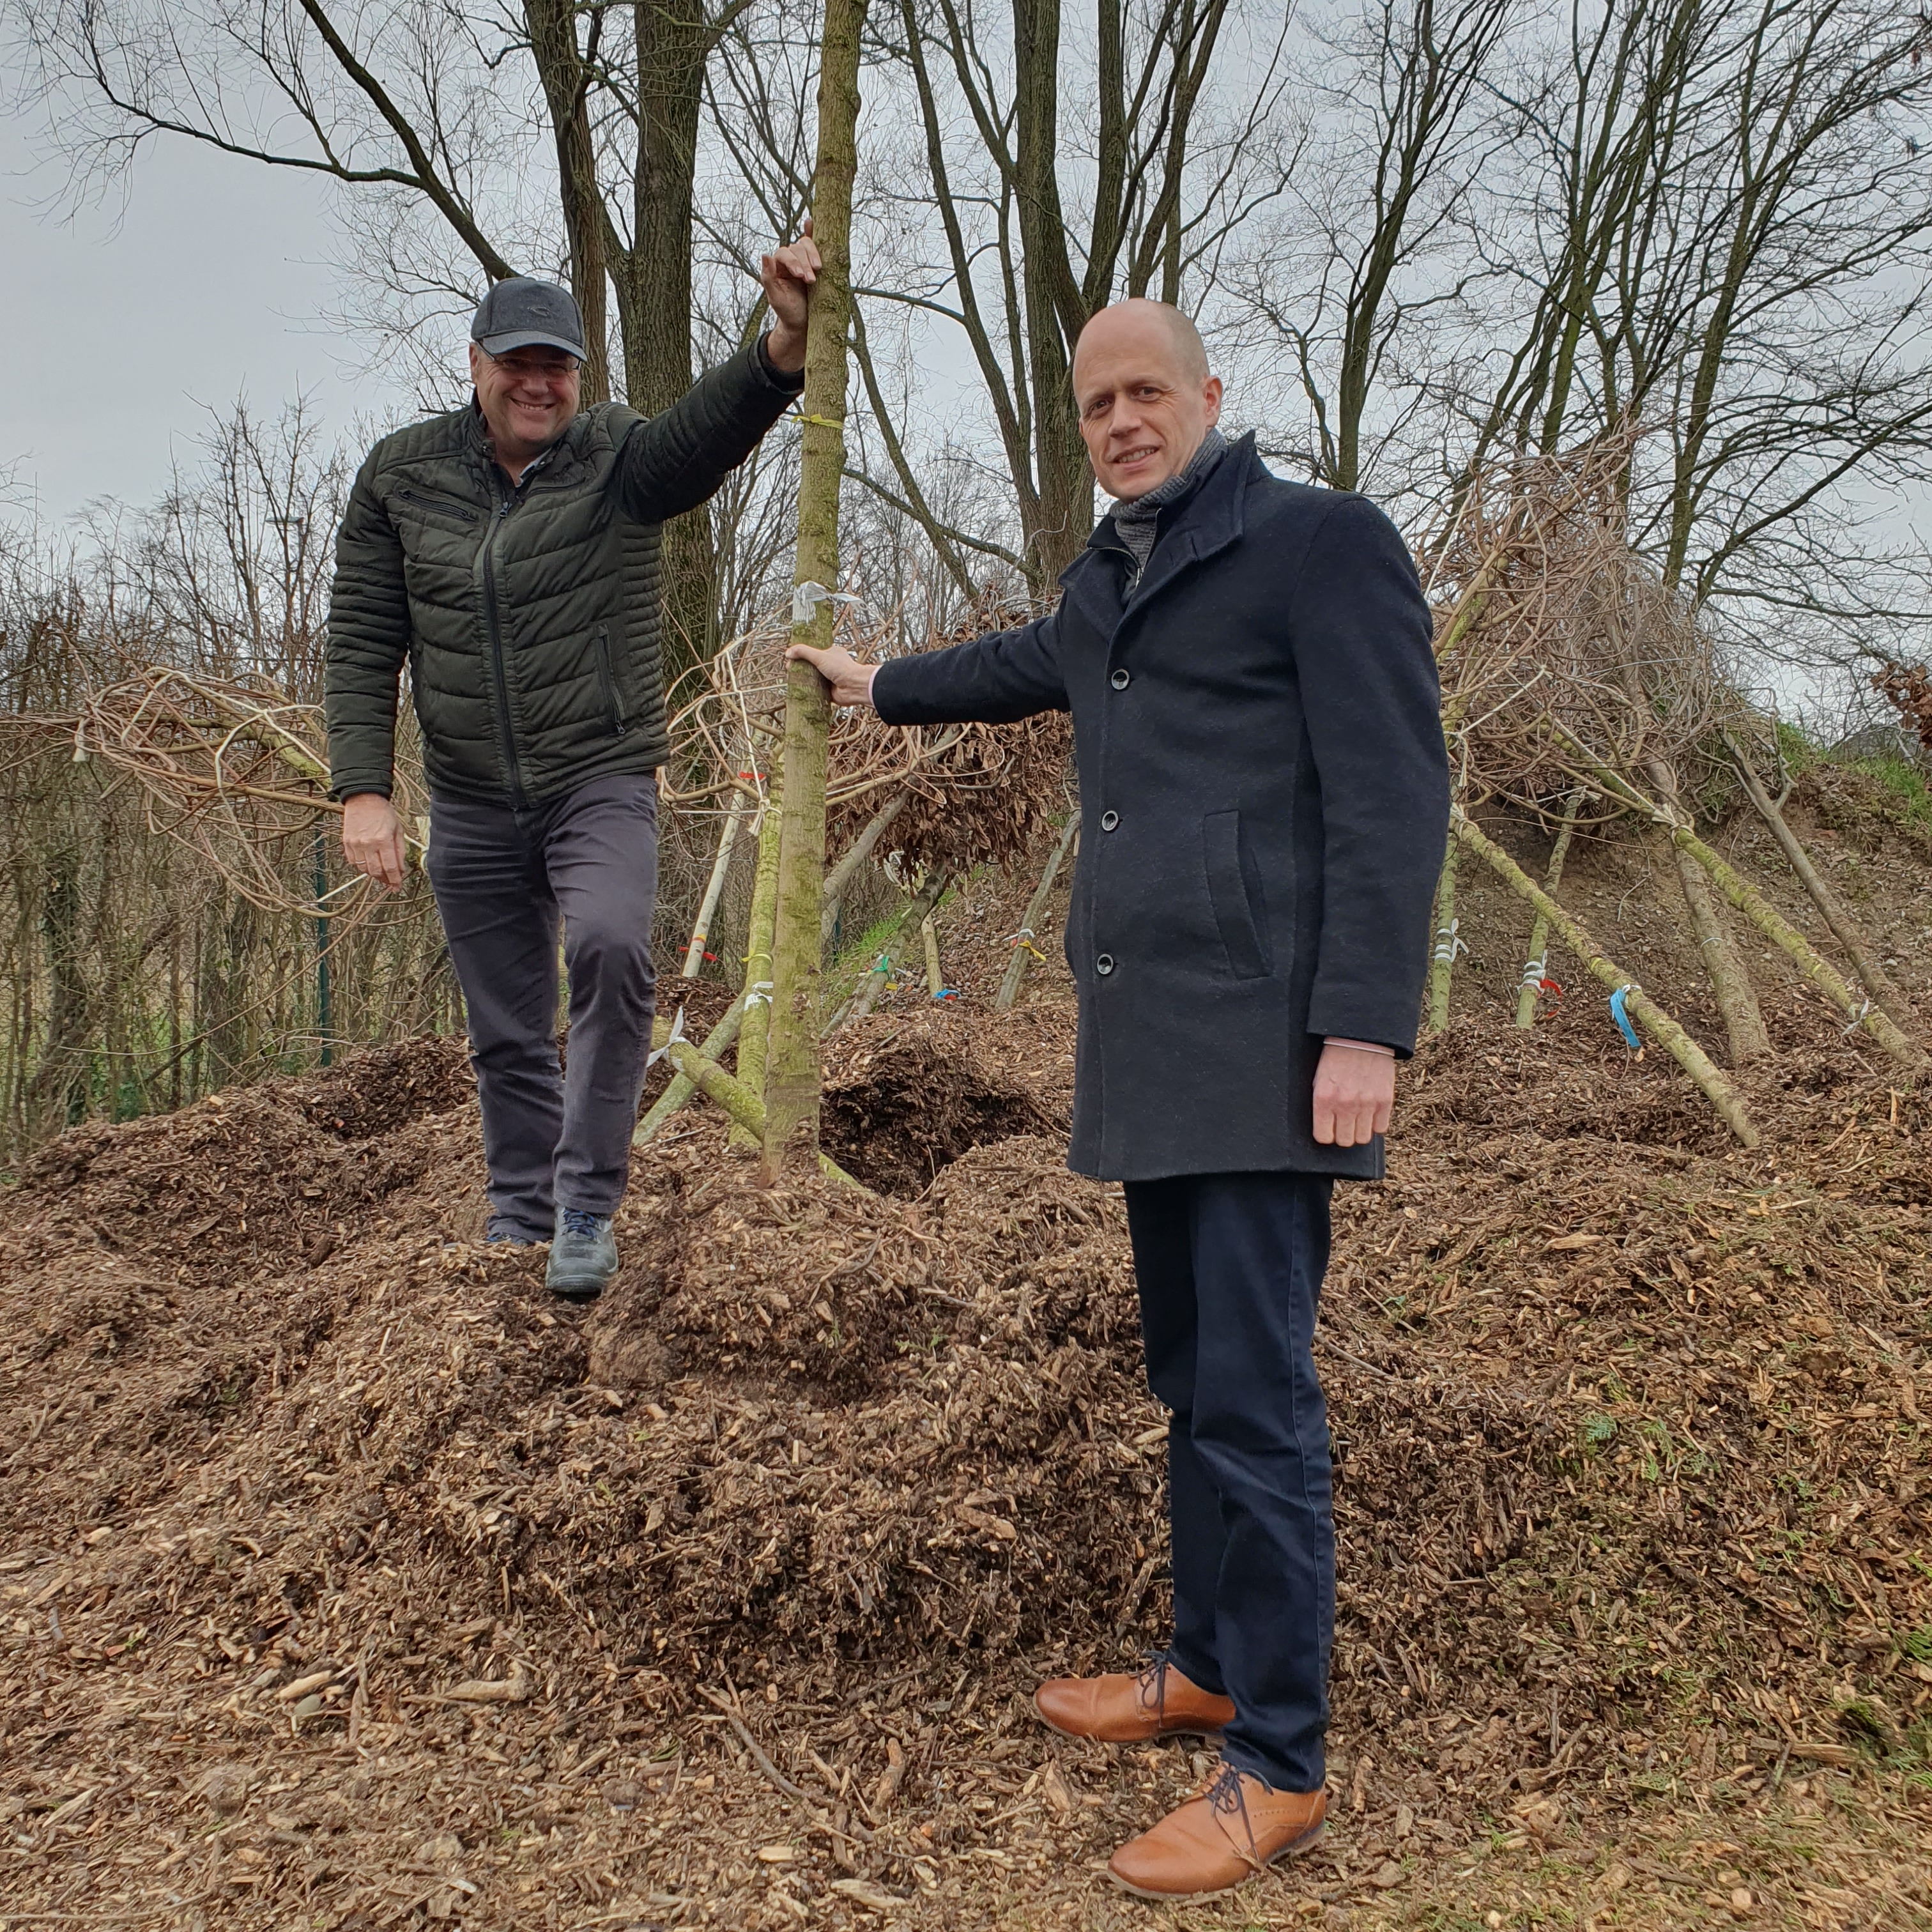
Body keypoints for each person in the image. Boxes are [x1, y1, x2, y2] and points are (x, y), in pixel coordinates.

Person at [790, 298, 1449, 1901]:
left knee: (1260, 1399)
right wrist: (877, 683)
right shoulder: (1114, 579)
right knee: (1190, 1376)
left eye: (1147, 392)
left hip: (1273, 1049)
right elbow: (1020, 665)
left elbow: (1393, 785)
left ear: (1211, 396)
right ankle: (1208, 1663)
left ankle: (1278, 1760)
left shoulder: (1318, 544)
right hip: (1150, 1042)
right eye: (1096, 405)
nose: (1122, 421)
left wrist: (1365, 1026)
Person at [326, 234, 820, 1300]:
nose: (538, 384)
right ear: (476, 365)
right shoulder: (401, 478)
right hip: (466, 795)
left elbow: (705, 434)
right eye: (518, 363)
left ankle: (587, 1205)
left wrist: (780, 343)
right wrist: (365, 785)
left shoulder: (614, 458)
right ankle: (521, 1210)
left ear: (580, 377)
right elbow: (365, 633)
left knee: (608, 952)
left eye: (557, 366)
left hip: (600, 776)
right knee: (503, 1021)